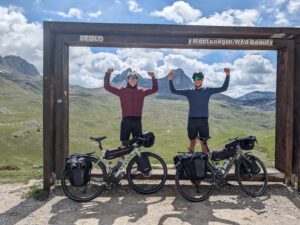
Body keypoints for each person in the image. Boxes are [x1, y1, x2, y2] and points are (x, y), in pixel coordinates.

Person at [168, 68, 230, 153]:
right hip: (192, 121)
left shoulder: (208, 90)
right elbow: (173, 91)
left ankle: (204, 164)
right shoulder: (189, 91)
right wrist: (170, 79)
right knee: (192, 142)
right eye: (195, 79)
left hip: (203, 121)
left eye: (199, 79)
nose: (197, 81)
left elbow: (224, 88)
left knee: (204, 143)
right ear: (193, 80)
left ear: (202, 79)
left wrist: (227, 75)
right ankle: (190, 163)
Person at [104, 68, 158, 145]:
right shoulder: (122, 91)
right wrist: (108, 73)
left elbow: (155, 89)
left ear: (137, 80)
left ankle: (135, 157)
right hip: (126, 121)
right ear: (128, 80)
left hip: (137, 121)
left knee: (138, 144)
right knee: (124, 143)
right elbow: (107, 87)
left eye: (135, 78)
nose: (133, 80)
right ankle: (121, 157)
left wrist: (153, 77)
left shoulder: (141, 92)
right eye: (131, 78)